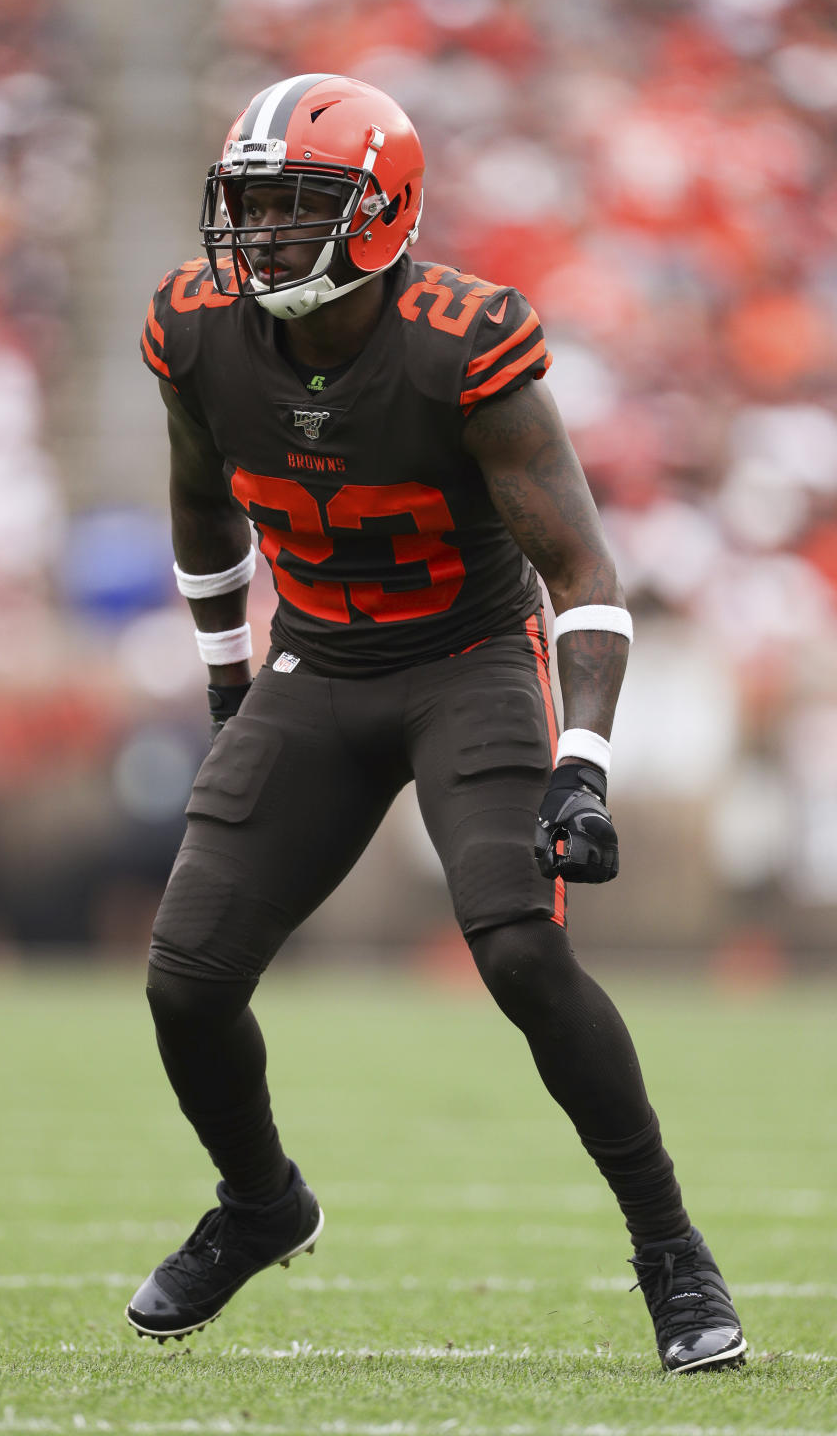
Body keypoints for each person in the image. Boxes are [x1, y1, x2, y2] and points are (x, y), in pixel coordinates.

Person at [127, 73, 746, 1374]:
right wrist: (227, 678)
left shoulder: (461, 341)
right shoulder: (194, 330)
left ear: (378, 215)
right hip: (316, 659)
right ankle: (260, 1206)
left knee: (519, 949)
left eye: (295, 210)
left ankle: (673, 1253)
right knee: (185, 979)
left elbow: (584, 575)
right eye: (247, 208)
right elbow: (201, 500)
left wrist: (583, 766)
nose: (259, 239)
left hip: (465, 658)